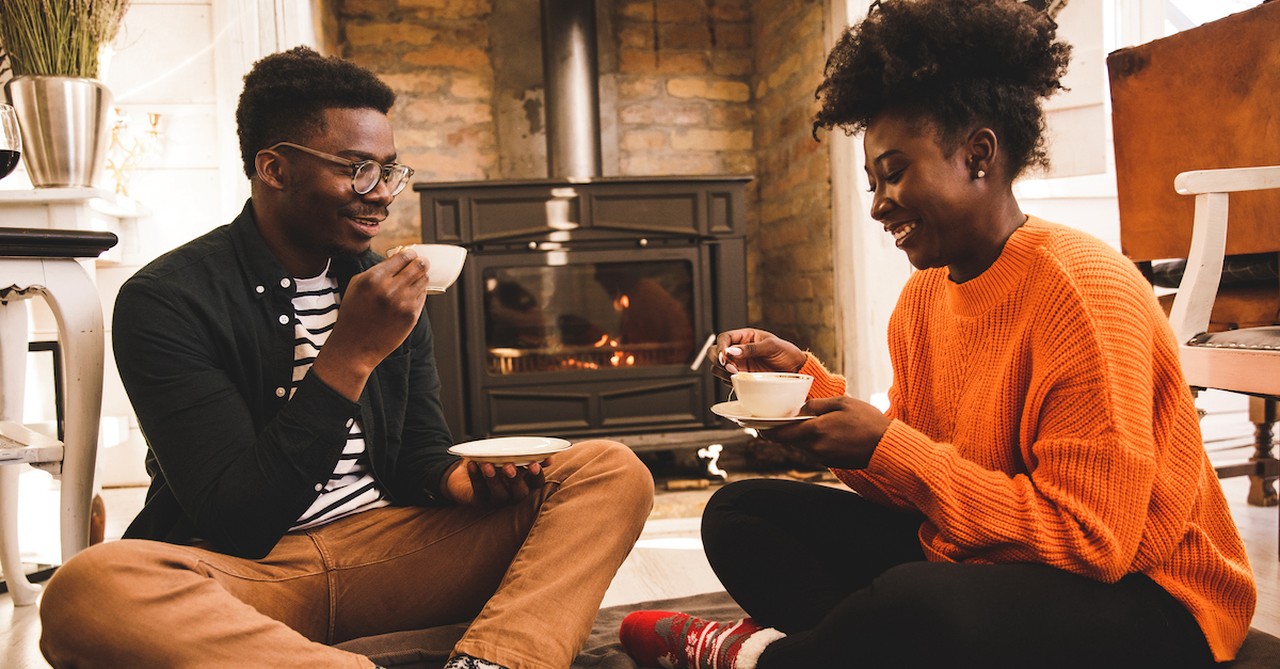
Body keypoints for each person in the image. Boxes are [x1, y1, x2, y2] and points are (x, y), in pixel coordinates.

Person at [618, 1, 1256, 667]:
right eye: (871, 182)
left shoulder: (1083, 293)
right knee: (739, 515)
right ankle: (856, 647)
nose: (876, 203)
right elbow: (916, 480)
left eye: (893, 172)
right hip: (986, 554)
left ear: (977, 154)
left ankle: (755, 658)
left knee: (919, 603)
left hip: (1147, 595)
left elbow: (1092, 541)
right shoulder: (924, 296)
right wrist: (809, 392)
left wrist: (892, 447)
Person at [38, 46, 654, 669]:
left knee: (609, 468)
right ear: (274, 168)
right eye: (358, 169)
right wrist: (351, 352)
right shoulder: (168, 299)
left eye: (390, 170)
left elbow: (419, 450)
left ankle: (496, 662)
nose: (382, 194)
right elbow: (238, 521)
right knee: (90, 588)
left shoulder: (384, 286)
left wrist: (460, 480)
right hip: (249, 577)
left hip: (394, 557)